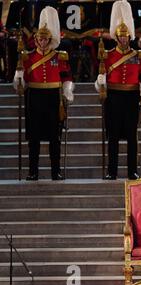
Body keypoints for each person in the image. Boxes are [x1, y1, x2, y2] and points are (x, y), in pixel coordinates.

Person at [13, 6, 74, 181]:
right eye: (40, 39)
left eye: (46, 39)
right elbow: (21, 85)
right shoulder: (27, 57)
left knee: (55, 137)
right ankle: (33, 171)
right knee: (34, 138)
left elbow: (66, 76)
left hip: (54, 98)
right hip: (34, 98)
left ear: (50, 39)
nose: (43, 42)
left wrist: (68, 90)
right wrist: (18, 78)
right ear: (36, 40)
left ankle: (56, 171)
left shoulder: (59, 57)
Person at [95, 0, 141, 180]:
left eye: (126, 36)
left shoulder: (139, 55)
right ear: (116, 37)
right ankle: (111, 171)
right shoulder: (108, 54)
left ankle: (132, 171)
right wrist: (100, 81)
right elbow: (101, 75)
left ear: (130, 36)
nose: (123, 39)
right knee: (112, 136)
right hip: (113, 97)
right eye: (120, 36)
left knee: (131, 136)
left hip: (131, 96)